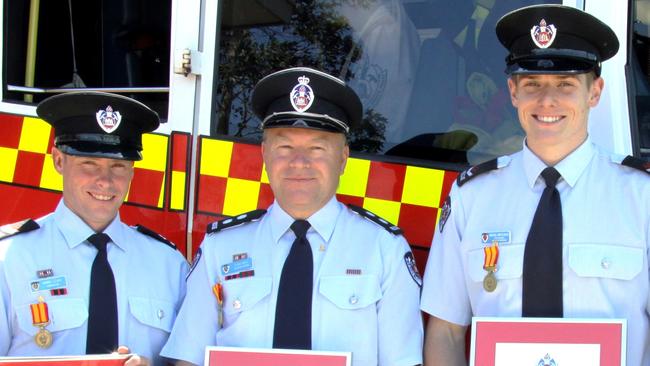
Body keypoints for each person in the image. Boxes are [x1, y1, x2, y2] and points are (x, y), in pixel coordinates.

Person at [420, 4, 650, 366]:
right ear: (513, 92)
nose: (547, 101)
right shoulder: (472, 196)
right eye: (532, 85)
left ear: (595, 92)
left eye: (565, 85)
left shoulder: (641, 196)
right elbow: (446, 331)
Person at [161, 67, 423, 366]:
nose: (299, 162)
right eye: (285, 146)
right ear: (264, 154)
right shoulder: (219, 247)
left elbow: (402, 361)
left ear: (343, 158)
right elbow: (188, 357)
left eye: (317, 148)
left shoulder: (384, 249)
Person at [0, 92, 189, 365]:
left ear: (133, 171)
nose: (105, 181)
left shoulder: (169, 265)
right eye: (89, 163)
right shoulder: (11, 259)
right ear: (59, 161)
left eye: (118, 166)